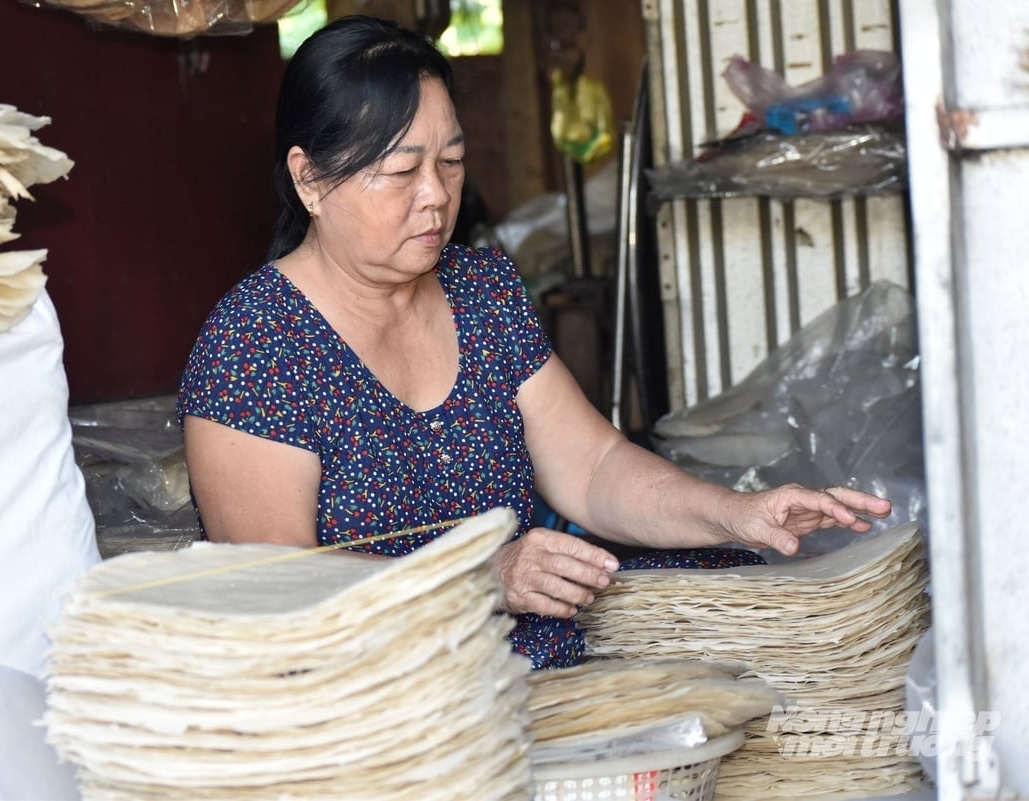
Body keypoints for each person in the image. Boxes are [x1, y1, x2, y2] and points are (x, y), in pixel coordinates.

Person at [176, 15, 892, 670]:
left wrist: (735, 512)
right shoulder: (255, 344)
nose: (435, 195)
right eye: (399, 171)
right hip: (379, 701)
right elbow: (278, 583)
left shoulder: (479, 287)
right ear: (309, 179)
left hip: (529, 666)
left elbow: (592, 467)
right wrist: (480, 578)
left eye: (451, 162)